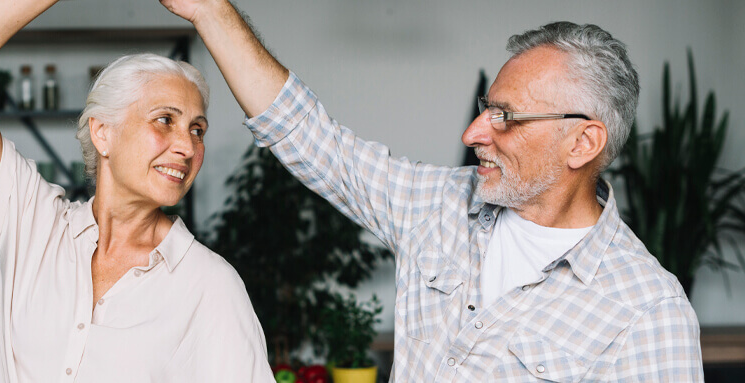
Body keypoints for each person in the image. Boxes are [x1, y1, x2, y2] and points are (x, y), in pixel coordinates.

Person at [160, 1, 703, 381]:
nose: (473, 133)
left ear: (582, 142)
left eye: (505, 116)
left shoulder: (648, 312)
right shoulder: (438, 204)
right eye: (486, 108)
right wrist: (210, 10)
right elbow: (308, 136)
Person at [0, 1, 274, 382]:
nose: (187, 146)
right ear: (102, 133)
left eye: (197, 130)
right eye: (165, 119)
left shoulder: (210, 285)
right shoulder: (34, 227)